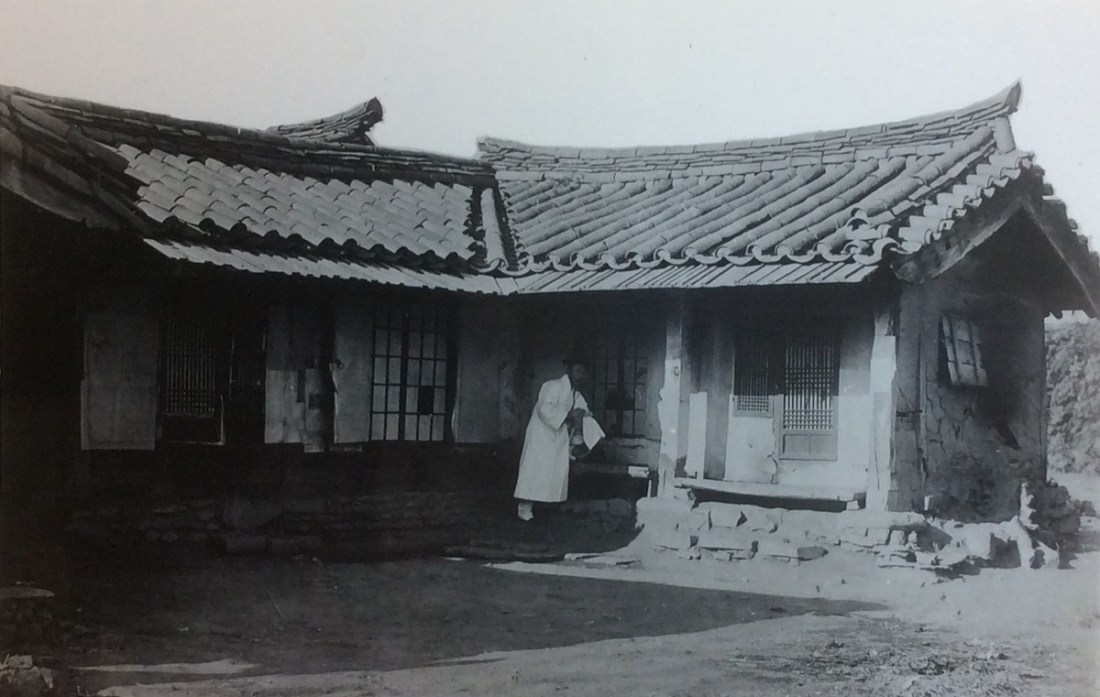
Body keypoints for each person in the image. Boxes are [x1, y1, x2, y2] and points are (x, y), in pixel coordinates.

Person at [513, 356, 603, 521]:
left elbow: (584, 411)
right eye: (578, 371)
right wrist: (569, 416)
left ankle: (547, 505)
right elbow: (544, 409)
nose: (581, 375)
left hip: (558, 435)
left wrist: (582, 418)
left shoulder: (575, 394)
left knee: (552, 471)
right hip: (542, 435)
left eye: (583, 372)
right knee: (535, 470)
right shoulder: (552, 386)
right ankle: (524, 508)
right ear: (569, 371)